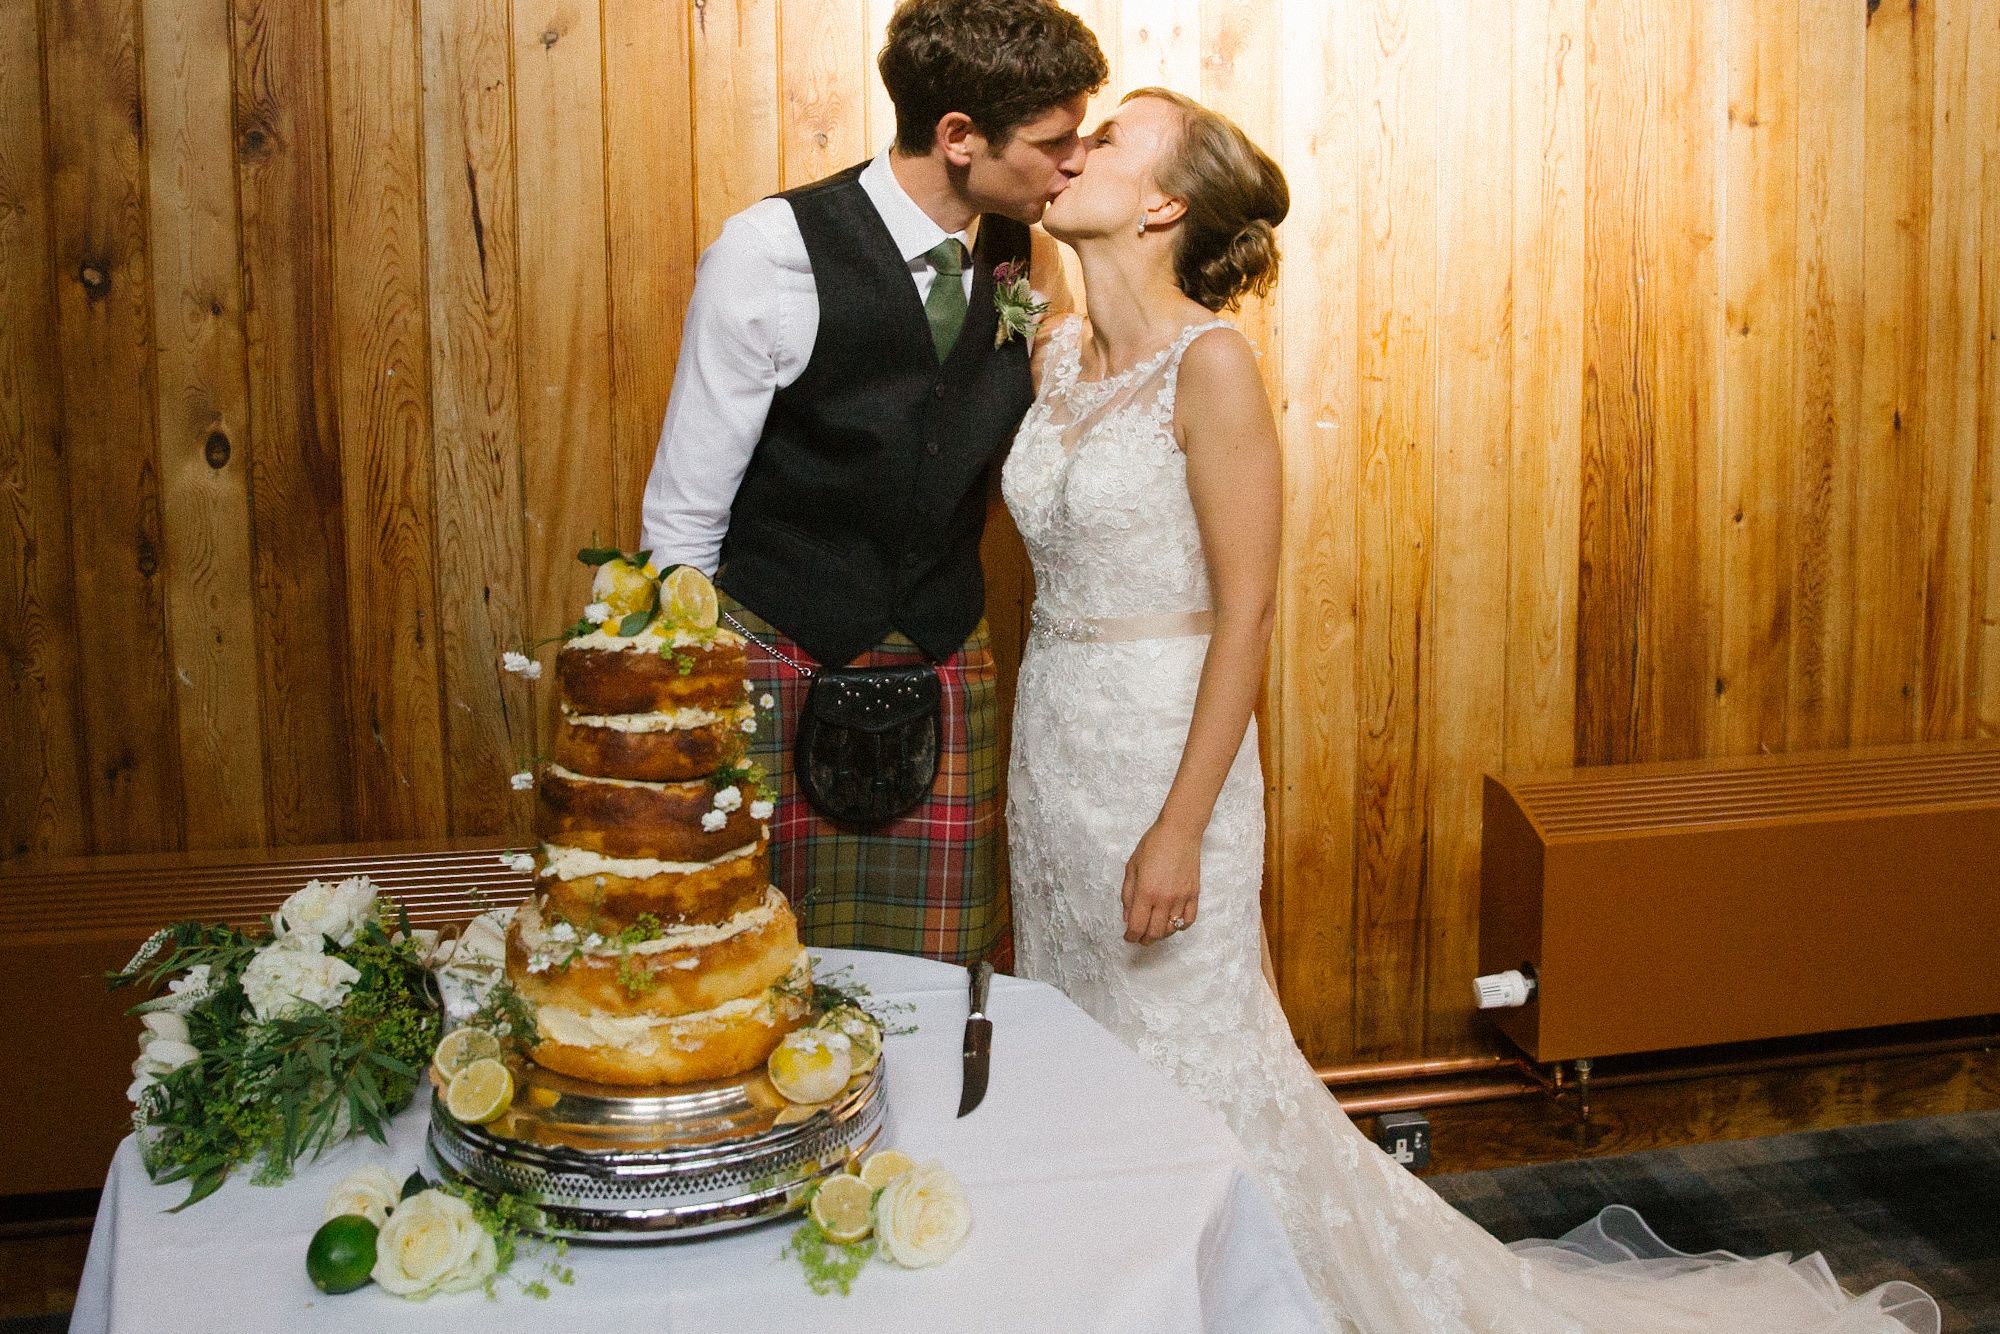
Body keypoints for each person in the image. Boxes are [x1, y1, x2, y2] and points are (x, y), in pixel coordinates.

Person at [1003, 86, 1940, 1333]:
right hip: (1049, 746)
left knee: (1191, 1065)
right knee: (1085, 1049)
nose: (1078, 151)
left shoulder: (1210, 365)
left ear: (1165, 202)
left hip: (1168, 753)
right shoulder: (1053, 348)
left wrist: (1180, 825)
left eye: (1109, 137)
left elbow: (1248, 613)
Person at [640, 0, 1106, 966]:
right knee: (748, 959)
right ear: (959, 138)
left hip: (942, 649)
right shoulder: (767, 254)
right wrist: (672, 716)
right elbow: (685, 510)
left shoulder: (1026, 252)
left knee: (940, 977)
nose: (1075, 163)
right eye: (1054, 142)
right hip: (777, 648)